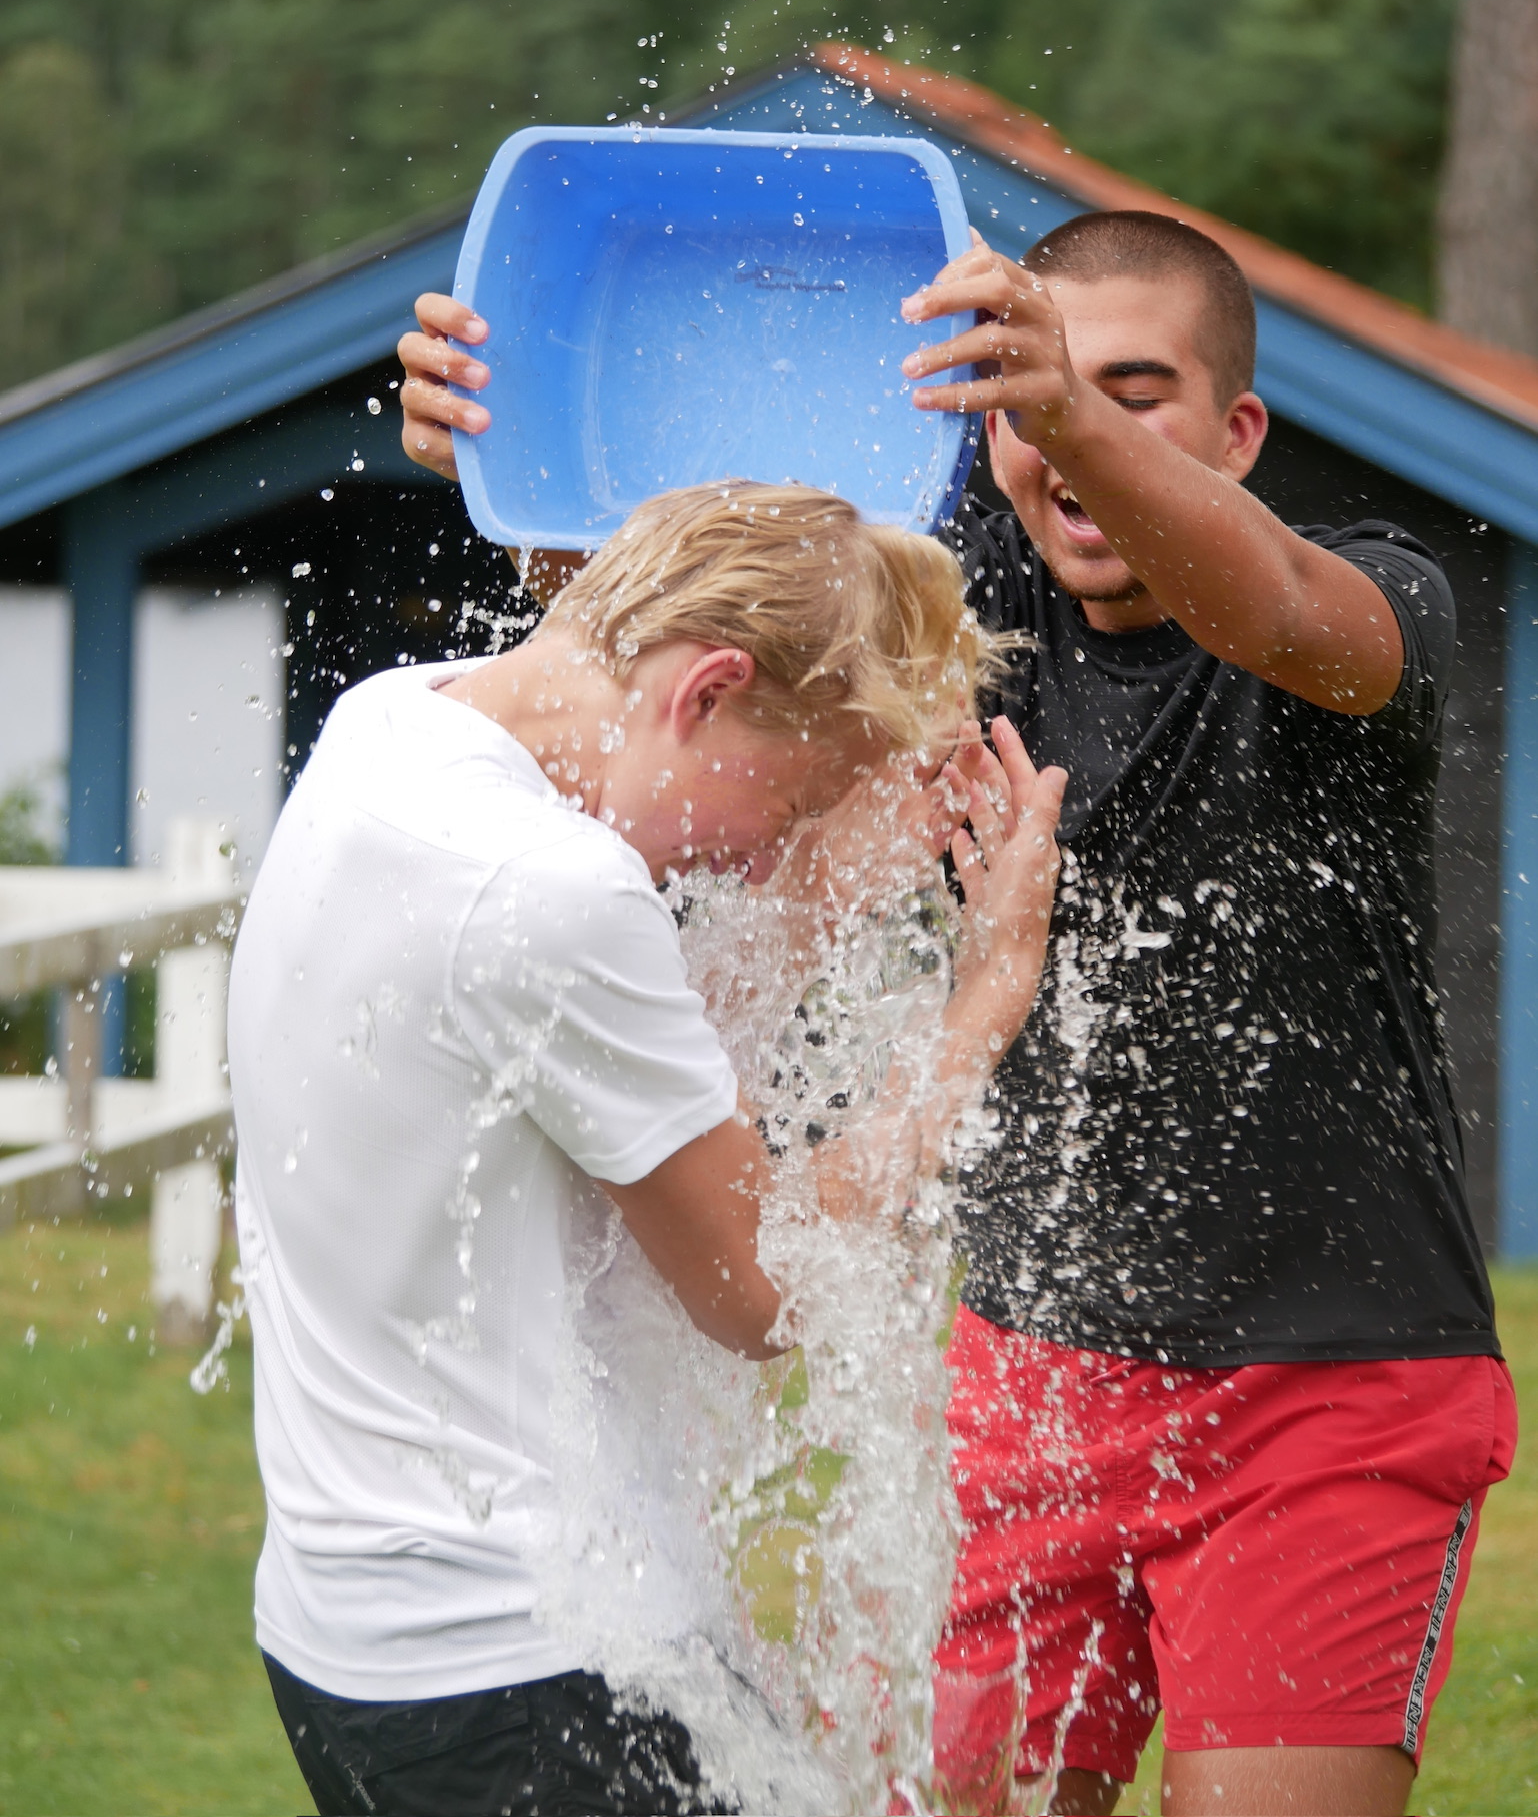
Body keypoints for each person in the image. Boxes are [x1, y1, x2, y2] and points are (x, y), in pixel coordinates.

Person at [400, 200, 1515, 1817]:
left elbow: (1278, 614)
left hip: (1328, 1397)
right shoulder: (961, 620)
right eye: (1039, 396)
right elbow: (676, 665)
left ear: (1237, 427)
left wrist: (1048, 400)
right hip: (1031, 1375)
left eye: (1134, 390)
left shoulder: (1376, 594)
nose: (1079, 432)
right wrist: (520, 482)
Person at [229, 476, 1066, 1817]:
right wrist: (984, 998)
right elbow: (759, 1289)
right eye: (785, 807)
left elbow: (628, 1125)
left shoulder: (391, 722)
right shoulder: (548, 891)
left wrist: (811, 892)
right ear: (705, 690)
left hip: (360, 1643)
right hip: (530, 1669)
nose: (760, 861)